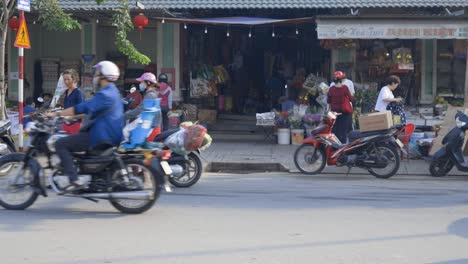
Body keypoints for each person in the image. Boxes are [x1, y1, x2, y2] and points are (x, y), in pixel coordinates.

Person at [47, 61, 124, 194]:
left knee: (60, 144)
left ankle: (74, 180)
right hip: (106, 133)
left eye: (97, 73)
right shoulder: (113, 91)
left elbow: (82, 107)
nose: (95, 76)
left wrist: (56, 114)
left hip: (100, 136)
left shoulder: (105, 94)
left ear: (104, 76)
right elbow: (91, 111)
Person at [327, 71, 354, 143]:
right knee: (344, 131)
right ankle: (342, 148)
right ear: (341, 80)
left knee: (335, 131)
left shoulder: (331, 89)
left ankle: (335, 148)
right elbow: (351, 99)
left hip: (334, 113)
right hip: (345, 112)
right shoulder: (345, 88)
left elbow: (328, 101)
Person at [61, 69, 86, 134]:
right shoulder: (66, 92)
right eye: (64, 79)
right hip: (65, 124)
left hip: (75, 125)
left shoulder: (78, 92)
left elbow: (83, 113)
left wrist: (72, 117)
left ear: (74, 79)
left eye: (68, 79)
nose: (66, 82)